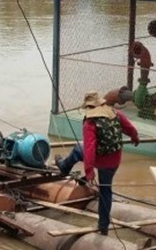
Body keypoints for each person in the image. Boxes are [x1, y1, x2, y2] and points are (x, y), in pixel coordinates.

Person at [55, 92, 139, 235]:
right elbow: (129, 128)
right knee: (106, 190)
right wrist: (134, 137)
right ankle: (103, 226)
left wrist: (89, 172)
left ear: (89, 107)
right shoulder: (114, 113)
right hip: (114, 160)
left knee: (77, 150)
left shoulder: (90, 122)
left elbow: (89, 149)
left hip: (99, 160)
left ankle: (64, 167)